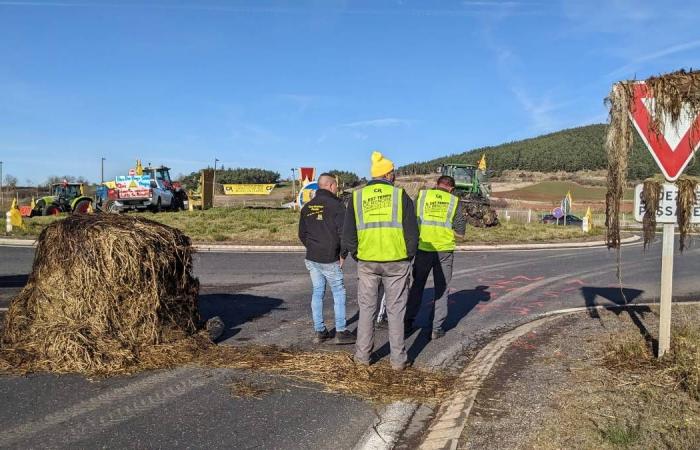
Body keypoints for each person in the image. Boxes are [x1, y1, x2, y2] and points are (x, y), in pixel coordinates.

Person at [342, 151, 418, 370]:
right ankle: (398, 361)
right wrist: (408, 255)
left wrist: (357, 253)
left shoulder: (356, 197)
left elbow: (348, 235)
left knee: (367, 310)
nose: (395, 175)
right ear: (387, 174)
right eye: (393, 172)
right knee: (396, 311)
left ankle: (362, 358)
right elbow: (411, 232)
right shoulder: (400, 196)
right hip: (396, 261)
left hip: (367, 261)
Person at [405, 175, 466, 340]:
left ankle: (407, 322)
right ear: (451, 188)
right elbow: (460, 232)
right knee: (442, 288)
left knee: (417, 286)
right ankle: (436, 328)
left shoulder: (422, 196)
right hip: (444, 251)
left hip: (423, 248)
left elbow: (410, 220)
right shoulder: (454, 201)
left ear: (436, 184)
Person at [299, 173, 355, 345]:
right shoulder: (337, 206)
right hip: (330, 257)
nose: (337, 188)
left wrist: (313, 246)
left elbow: (302, 234)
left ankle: (320, 331)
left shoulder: (307, 207)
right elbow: (344, 233)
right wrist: (343, 254)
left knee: (318, 292)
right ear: (331, 186)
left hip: (312, 257)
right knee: (338, 292)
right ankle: (341, 331)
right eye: (336, 186)